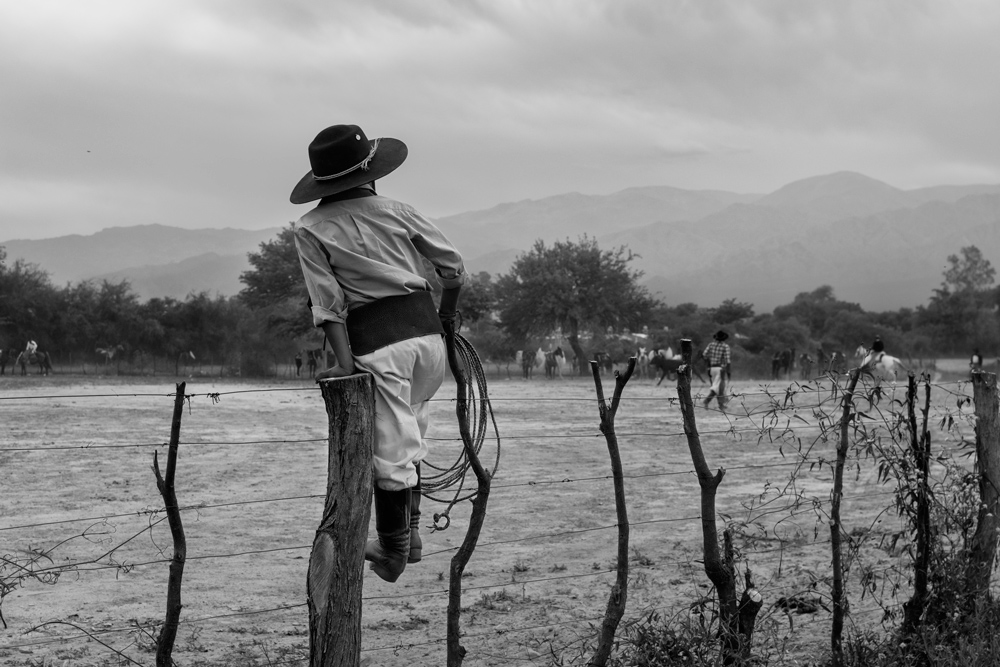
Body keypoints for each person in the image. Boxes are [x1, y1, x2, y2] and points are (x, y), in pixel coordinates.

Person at [290, 124, 465, 583]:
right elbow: (453, 268)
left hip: (379, 344)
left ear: (322, 181)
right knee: (413, 433)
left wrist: (345, 364)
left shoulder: (310, 228)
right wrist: (446, 319)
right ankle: (411, 535)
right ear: (372, 170)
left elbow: (326, 303)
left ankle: (392, 552)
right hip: (428, 341)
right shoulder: (399, 210)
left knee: (388, 451)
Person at [702, 330, 731, 410]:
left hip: (711, 368)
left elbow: (704, 355)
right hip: (720, 369)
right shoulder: (725, 346)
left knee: (717, 387)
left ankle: (721, 404)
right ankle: (707, 401)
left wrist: (708, 365)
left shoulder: (711, 345)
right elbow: (728, 361)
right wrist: (729, 372)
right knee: (718, 387)